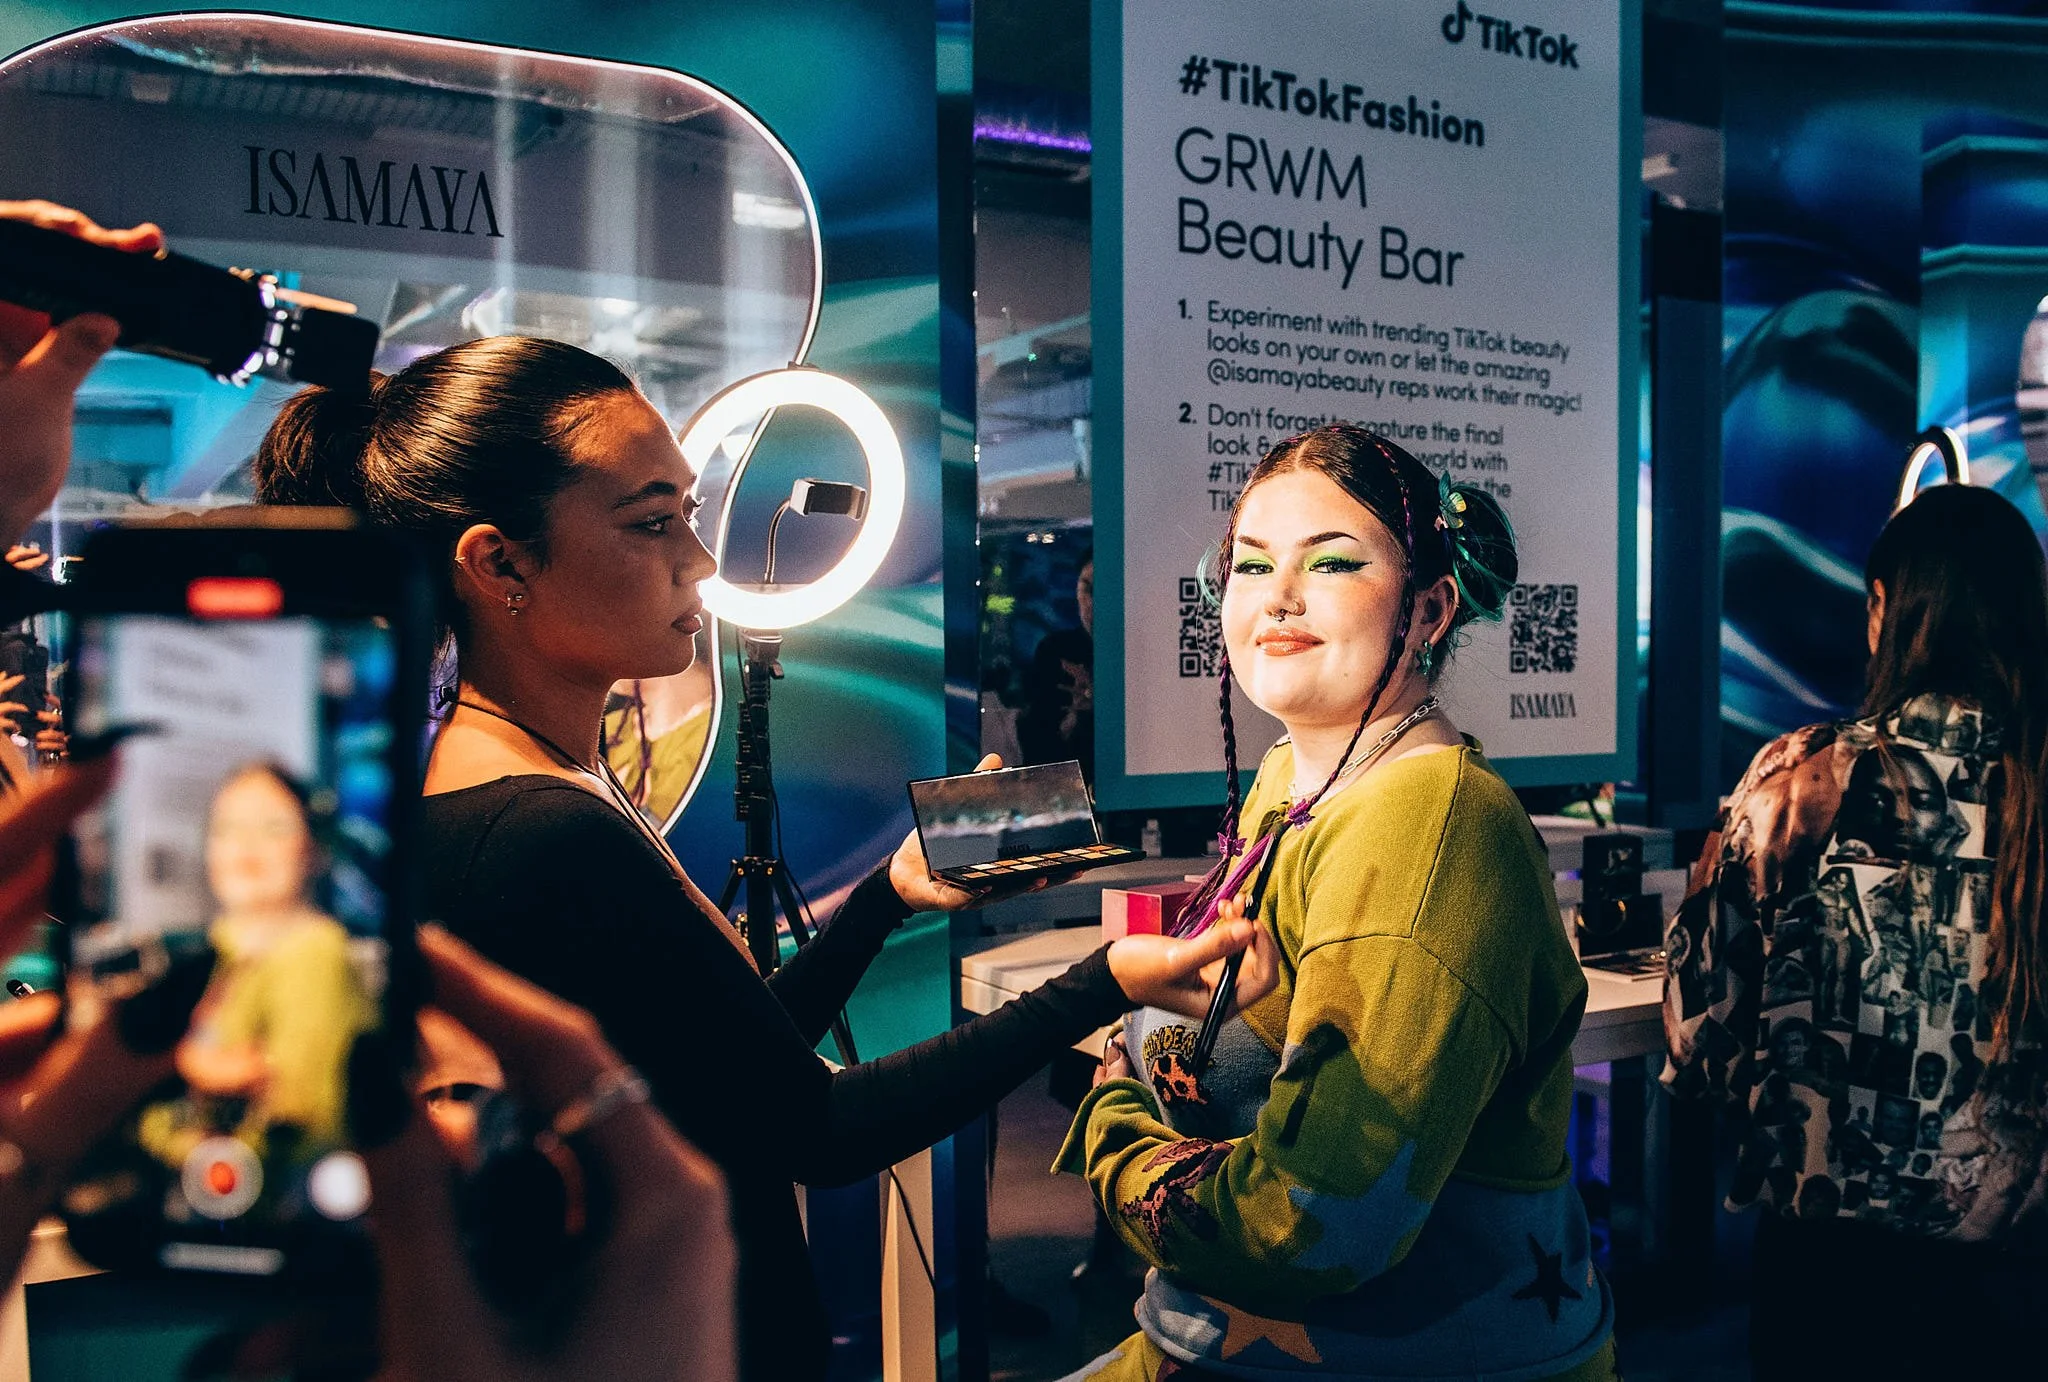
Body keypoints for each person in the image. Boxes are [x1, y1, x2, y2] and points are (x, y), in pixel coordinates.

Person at [255, 335, 1274, 1382]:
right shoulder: (533, 832)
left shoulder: (538, 786)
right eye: (650, 523)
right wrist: (1097, 984)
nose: (697, 562)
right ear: (500, 563)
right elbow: (813, 1125)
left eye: (687, 516)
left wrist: (886, 894)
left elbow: (731, 1062)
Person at [1058, 424, 1615, 1380]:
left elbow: (1302, 1229)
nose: (1277, 596)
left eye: (1334, 562)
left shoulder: (1427, 825)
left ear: (1431, 608)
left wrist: (1111, 1117)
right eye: (1250, 564)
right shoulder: (1291, 776)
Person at [1663, 484, 2048, 1375]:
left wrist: (1700, 907)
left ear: (1882, 611)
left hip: (1836, 1266)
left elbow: (1701, 1055)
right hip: (2020, 1268)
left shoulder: (1799, 782)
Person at [1016, 548, 1094, 782]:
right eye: (1087, 589)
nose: (1093, 602)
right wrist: (1075, 718)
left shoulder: (1139, 654)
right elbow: (1035, 742)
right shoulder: (1055, 651)